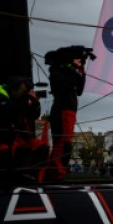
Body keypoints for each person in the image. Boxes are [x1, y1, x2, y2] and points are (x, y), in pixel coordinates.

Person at [45, 48, 87, 181]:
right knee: (62, 144)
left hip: (69, 111)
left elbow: (79, 91)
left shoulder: (69, 72)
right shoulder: (59, 71)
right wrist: (73, 69)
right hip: (62, 110)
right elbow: (66, 84)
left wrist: (82, 74)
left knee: (65, 144)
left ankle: (56, 172)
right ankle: (56, 173)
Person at [0, 76, 46, 174]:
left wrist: (34, 102)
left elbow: (33, 116)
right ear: (15, 88)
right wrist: (26, 101)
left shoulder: (18, 100)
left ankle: (31, 177)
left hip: (15, 141)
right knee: (4, 152)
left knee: (40, 147)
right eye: (24, 90)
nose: (25, 93)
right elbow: (8, 110)